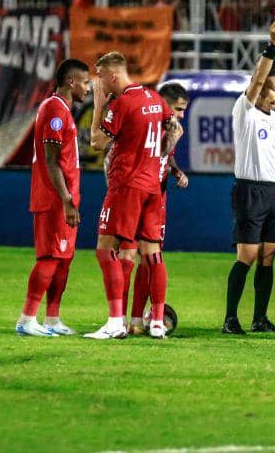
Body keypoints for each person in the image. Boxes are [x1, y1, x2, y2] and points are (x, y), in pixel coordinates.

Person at [85, 51, 173, 340]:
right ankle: (157, 322)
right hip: (152, 186)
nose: (98, 84)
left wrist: (99, 105)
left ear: (112, 75)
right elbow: (174, 126)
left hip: (126, 185)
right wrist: (161, 157)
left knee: (104, 248)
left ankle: (114, 322)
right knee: (151, 254)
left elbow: (97, 142)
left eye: (99, 78)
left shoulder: (122, 103)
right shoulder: (153, 98)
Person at [222, 20, 275, 335]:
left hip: (273, 194)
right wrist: (273, 44)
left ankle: (260, 319)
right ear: (261, 88)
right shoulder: (245, 111)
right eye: (273, 88)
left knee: (268, 257)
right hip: (249, 191)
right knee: (248, 256)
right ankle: (230, 319)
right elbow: (255, 79)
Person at [16, 58, 90, 337]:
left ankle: (52, 319)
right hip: (54, 199)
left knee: (63, 259)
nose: (88, 87)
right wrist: (67, 200)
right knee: (50, 257)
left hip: (66, 197)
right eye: (85, 82)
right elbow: (51, 160)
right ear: (71, 82)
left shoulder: (64, 111)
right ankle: (26, 319)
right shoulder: (54, 109)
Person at [129, 82, 191, 336]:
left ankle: (148, 320)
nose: (181, 115)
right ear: (163, 104)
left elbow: (165, 156)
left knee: (148, 258)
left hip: (156, 197)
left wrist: (176, 170)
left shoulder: (171, 128)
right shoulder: (147, 125)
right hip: (136, 194)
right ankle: (136, 320)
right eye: (178, 109)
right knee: (129, 257)